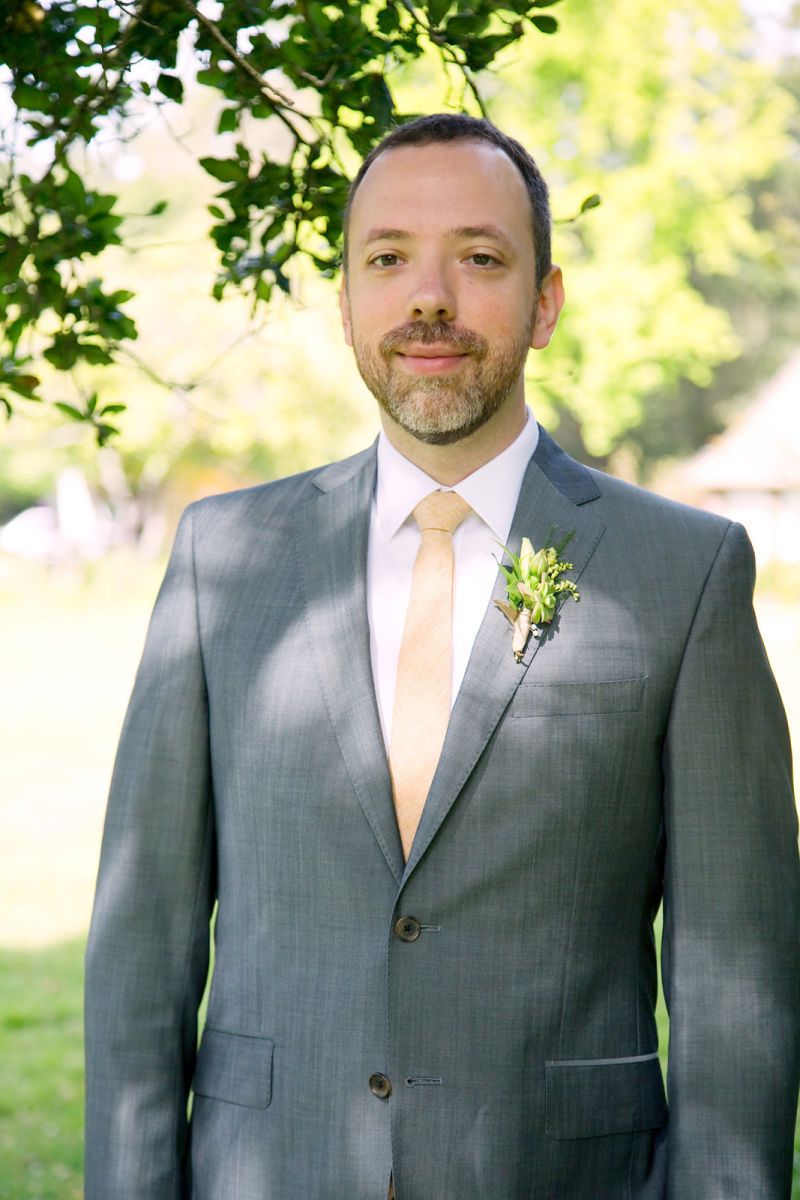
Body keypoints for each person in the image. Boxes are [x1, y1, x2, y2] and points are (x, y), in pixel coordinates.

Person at [84, 113, 800, 1200]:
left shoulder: (683, 573)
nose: (429, 298)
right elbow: (143, 951)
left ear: (543, 301)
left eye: (477, 258)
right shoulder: (221, 559)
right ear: (344, 305)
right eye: (387, 260)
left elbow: (735, 980)